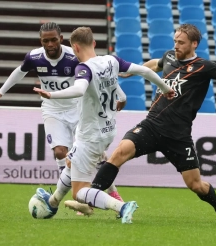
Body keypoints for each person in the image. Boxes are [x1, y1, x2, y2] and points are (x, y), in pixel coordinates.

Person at [80, 24, 216, 224]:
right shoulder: (169, 56)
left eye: (181, 42)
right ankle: (91, 199)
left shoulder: (205, 67)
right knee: (119, 153)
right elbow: (155, 64)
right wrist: (131, 72)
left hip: (178, 136)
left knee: (196, 185)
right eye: (175, 41)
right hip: (151, 125)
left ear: (194, 44)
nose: (176, 46)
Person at [33, 26, 175, 223]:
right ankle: (53, 201)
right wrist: (165, 88)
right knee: (71, 162)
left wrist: (51, 94)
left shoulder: (83, 68)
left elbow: (79, 89)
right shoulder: (111, 60)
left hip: (90, 135)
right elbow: (143, 70)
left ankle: (122, 206)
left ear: (75, 47)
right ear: (93, 43)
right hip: (107, 130)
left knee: (79, 192)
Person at [0, 22, 124, 210]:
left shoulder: (74, 56)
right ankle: (72, 196)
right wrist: (0, 93)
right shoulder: (34, 57)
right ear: (40, 41)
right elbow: (19, 72)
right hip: (52, 109)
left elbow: (100, 73)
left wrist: (119, 92)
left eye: (53, 40)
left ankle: (112, 192)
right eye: (45, 41)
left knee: (97, 155)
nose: (50, 44)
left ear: (61, 39)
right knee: (60, 152)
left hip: (78, 109)